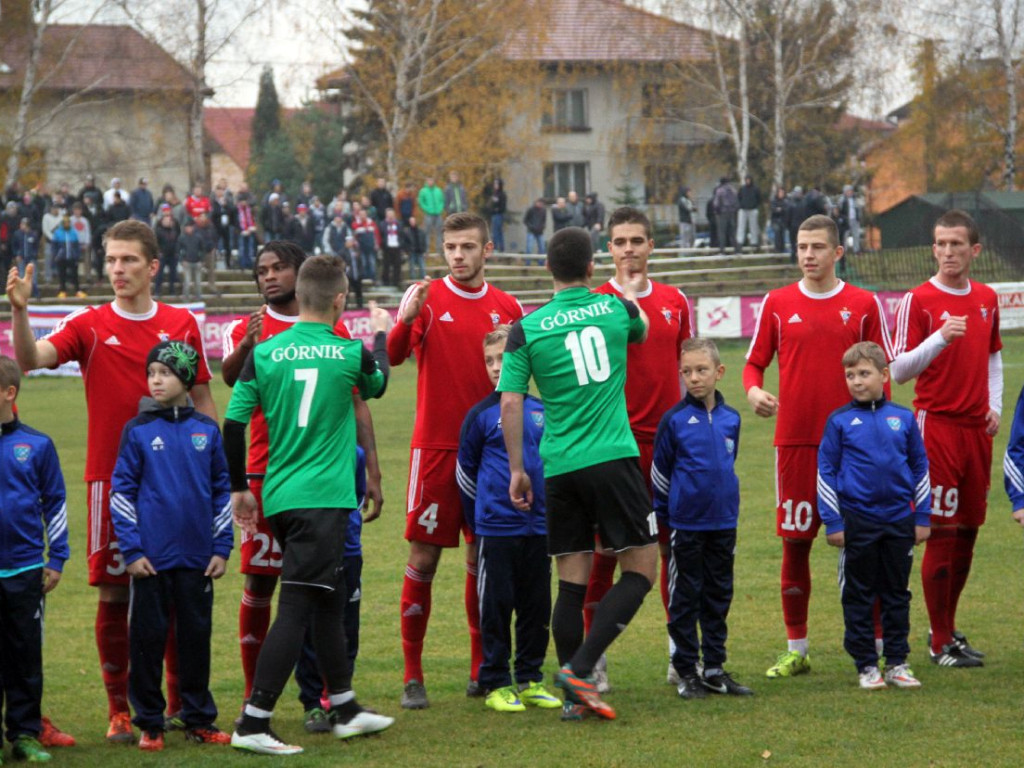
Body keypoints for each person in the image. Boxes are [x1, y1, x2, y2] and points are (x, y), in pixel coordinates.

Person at [6, 219, 216, 743]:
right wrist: (20, 311)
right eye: (111, 260)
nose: (117, 270)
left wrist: (222, 474)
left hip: (179, 484)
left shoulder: (182, 323)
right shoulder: (91, 324)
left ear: (153, 266)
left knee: (177, 591)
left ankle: (173, 705)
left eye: (128, 260)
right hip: (114, 482)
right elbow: (31, 360)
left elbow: (205, 402)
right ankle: (119, 709)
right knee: (116, 595)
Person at [225, 255, 394, 755]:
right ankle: (254, 721)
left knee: (328, 598)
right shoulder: (349, 352)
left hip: (278, 495)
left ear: (299, 295)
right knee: (298, 605)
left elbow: (234, 423)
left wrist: (239, 487)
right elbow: (378, 384)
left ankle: (343, 706)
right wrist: (380, 337)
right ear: (340, 300)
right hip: (323, 499)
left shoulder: (266, 352)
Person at [498, 226, 657, 722]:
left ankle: (573, 698)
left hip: (560, 466)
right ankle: (581, 670)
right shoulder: (615, 309)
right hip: (612, 458)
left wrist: (519, 469)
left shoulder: (527, 327)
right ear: (592, 268)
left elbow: (510, 399)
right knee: (641, 569)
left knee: (571, 583)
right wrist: (628, 294)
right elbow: (644, 330)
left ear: (548, 268)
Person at [743, 213, 892, 679]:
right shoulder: (777, 302)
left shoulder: (863, 303)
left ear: (838, 253)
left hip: (856, 448)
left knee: (866, 546)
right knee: (796, 543)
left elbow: (882, 374)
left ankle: (876, 648)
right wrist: (754, 392)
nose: (807, 256)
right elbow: (753, 365)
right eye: (802, 247)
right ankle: (797, 648)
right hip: (796, 442)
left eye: (817, 248)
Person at [387, 212, 524, 710]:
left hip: (490, 452)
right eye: (451, 247)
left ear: (487, 250)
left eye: (468, 247)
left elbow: (525, 372)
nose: (458, 256)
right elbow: (396, 355)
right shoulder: (427, 297)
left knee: (479, 560)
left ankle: (478, 669)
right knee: (423, 557)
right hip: (436, 450)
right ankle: (412, 675)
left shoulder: (507, 306)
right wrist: (404, 320)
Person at [890, 209, 1002, 667]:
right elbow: (896, 371)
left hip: (977, 430)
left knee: (969, 531)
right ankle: (937, 641)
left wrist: (994, 404)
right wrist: (938, 339)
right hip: (934, 427)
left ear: (974, 250)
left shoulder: (987, 297)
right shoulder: (918, 300)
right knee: (941, 530)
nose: (949, 251)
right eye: (941, 243)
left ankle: (950, 629)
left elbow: (995, 355)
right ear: (932, 249)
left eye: (957, 244)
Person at [110, 341, 234, 751]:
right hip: (152, 560)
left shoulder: (206, 431)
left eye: (165, 373)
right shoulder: (139, 430)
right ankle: (150, 722)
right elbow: (122, 493)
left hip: (199, 559)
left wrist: (221, 548)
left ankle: (199, 719)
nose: (156, 381)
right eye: (152, 373)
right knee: (146, 640)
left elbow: (220, 492)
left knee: (196, 640)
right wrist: (132, 550)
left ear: (185, 378)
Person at [589, 207, 692, 690]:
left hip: (669, 447)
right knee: (604, 552)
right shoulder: (595, 305)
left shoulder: (675, 300)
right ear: (608, 250)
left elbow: (688, 369)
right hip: (615, 447)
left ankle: (680, 655)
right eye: (619, 241)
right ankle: (594, 660)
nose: (628, 249)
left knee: (675, 550)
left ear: (652, 246)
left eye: (637, 240)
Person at [456, 326, 559, 714]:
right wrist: (479, 520)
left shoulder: (542, 410)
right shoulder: (480, 416)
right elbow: (464, 472)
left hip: (539, 527)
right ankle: (496, 681)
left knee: (536, 606)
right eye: (489, 361)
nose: (497, 367)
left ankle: (531, 678)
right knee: (496, 607)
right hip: (495, 529)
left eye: (504, 358)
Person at [818, 341, 931, 689]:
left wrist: (922, 515)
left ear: (884, 375)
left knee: (898, 593)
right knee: (859, 594)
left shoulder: (903, 418)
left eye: (864, 373)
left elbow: (920, 466)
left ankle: (897, 661)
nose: (856, 381)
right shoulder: (839, 421)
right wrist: (834, 521)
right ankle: (866, 663)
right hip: (858, 520)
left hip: (899, 519)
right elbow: (826, 471)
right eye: (850, 375)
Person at [652, 338, 752, 699]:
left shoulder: (731, 418)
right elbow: (661, 475)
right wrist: (665, 523)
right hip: (686, 526)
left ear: (718, 372)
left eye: (701, 370)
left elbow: (728, 463)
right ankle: (685, 671)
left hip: (723, 523)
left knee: (718, 594)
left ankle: (714, 667)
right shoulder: (674, 420)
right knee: (685, 598)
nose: (694, 378)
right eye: (687, 372)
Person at [0, 355, 70, 763]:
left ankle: (25, 733)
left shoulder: (37, 445)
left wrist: (56, 557)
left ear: (10, 393)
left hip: (25, 569)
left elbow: (55, 503)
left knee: (25, 655)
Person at [52, 214, 85, 299]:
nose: (67, 224)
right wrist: (55, 256)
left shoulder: (74, 232)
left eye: (68, 223)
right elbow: (54, 246)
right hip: (61, 257)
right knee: (62, 275)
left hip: (72, 257)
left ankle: (78, 291)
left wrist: (77, 256)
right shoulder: (57, 233)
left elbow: (77, 246)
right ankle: (62, 291)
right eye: (65, 223)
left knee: (75, 275)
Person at [154, 205, 180, 299]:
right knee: (159, 274)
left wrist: (177, 251)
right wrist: (158, 252)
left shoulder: (175, 225)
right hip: (163, 254)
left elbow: (178, 237)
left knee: (173, 273)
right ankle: (157, 291)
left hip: (173, 254)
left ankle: (172, 290)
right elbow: (155, 241)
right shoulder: (158, 228)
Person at [178, 220, 204, 302]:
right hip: (187, 262)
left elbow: (203, 249)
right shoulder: (182, 238)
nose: (188, 229)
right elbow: (178, 250)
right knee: (187, 282)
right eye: (187, 227)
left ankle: (198, 298)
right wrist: (181, 260)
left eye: (190, 227)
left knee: (198, 282)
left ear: (193, 227)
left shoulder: (198, 237)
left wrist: (202, 260)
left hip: (197, 262)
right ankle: (186, 298)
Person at [418, 176, 445, 254]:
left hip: (438, 213)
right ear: (427, 181)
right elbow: (421, 201)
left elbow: (442, 200)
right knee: (427, 232)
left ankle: (439, 249)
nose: (430, 182)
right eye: (429, 180)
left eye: (431, 180)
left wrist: (440, 208)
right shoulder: (423, 191)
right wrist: (426, 209)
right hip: (428, 214)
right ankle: (427, 249)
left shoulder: (438, 190)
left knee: (440, 231)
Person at [712, 177, 738, 254]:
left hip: (722, 213)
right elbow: (737, 202)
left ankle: (722, 251)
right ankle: (736, 250)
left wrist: (716, 212)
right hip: (732, 213)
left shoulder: (720, 190)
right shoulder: (733, 190)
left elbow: (716, 203)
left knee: (722, 232)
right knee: (732, 232)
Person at [380, 208, 404, 287]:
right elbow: (381, 235)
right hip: (387, 247)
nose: (390, 216)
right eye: (389, 215)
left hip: (396, 247)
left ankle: (396, 281)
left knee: (397, 265)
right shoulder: (383, 224)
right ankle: (385, 281)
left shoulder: (398, 224)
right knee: (386, 265)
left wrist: (401, 244)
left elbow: (401, 235)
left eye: (391, 215)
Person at [736, 175, 761, 249]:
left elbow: (759, 198)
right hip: (743, 209)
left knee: (753, 226)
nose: (748, 181)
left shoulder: (755, 189)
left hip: (753, 209)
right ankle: (740, 241)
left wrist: (755, 205)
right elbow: (739, 197)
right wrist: (741, 205)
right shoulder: (742, 189)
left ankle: (754, 242)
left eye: (749, 179)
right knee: (741, 226)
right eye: (746, 180)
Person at [403, 216, 427, 281]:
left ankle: (424, 279)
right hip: (411, 252)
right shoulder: (407, 232)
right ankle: (413, 280)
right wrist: (407, 250)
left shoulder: (421, 231)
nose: (412, 222)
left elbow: (424, 241)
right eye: (411, 221)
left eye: (413, 221)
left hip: (420, 251)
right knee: (412, 267)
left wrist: (424, 251)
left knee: (422, 267)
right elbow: (405, 243)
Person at [486, 180, 507, 252]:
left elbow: (503, 207)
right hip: (493, 215)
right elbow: (490, 205)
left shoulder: (502, 194)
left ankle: (499, 248)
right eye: (494, 184)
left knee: (497, 232)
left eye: (496, 184)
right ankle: (497, 248)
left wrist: (496, 209)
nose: (495, 185)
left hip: (498, 215)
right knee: (495, 232)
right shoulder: (494, 194)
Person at [770, 186, 789, 254]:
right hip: (775, 220)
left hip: (783, 221)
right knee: (777, 235)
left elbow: (786, 210)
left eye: (782, 193)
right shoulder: (774, 200)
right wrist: (779, 209)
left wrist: (780, 209)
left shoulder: (786, 201)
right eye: (780, 192)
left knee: (782, 236)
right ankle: (777, 250)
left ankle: (782, 250)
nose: (781, 194)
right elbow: (774, 210)